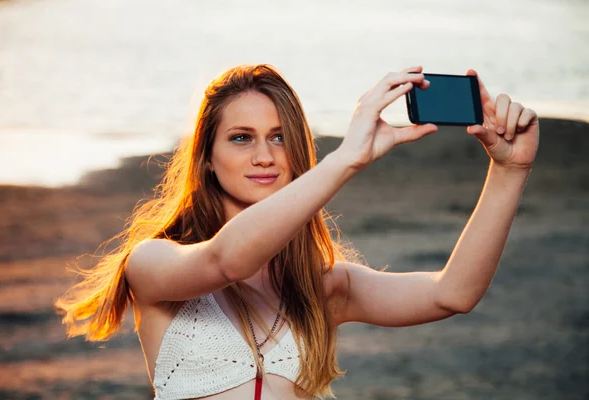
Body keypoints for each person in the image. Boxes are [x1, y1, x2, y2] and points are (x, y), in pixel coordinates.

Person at [54, 64, 540, 400]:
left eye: (280, 137)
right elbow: (228, 261)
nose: (264, 156)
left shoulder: (324, 285)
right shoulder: (153, 264)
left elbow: (451, 294)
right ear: (206, 157)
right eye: (241, 138)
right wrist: (347, 159)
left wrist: (510, 171)